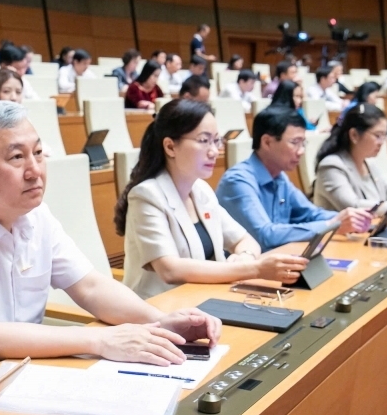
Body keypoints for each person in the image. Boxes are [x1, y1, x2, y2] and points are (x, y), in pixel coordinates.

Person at [0, 100, 223, 388]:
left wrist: (158, 321)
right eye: (17, 157)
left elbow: (90, 287)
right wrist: (101, 339)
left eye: (38, 153)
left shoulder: (36, 215)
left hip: (14, 378)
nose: (35, 170)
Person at [116, 99, 308, 299]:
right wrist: (254, 269)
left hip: (205, 299)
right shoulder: (146, 196)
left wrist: (244, 257)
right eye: (203, 140)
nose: (214, 151)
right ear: (170, 147)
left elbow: (245, 240)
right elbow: (170, 269)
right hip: (160, 307)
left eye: (216, 141)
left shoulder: (201, 190)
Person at [216, 107, 372, 250]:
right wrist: (331, 224)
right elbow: (265, 235)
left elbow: (311, 214)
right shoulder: (237, 181)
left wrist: (350, 218)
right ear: (267, 142)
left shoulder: (279, 177)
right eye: (295, 143)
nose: (301, 151)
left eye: (303, 143)